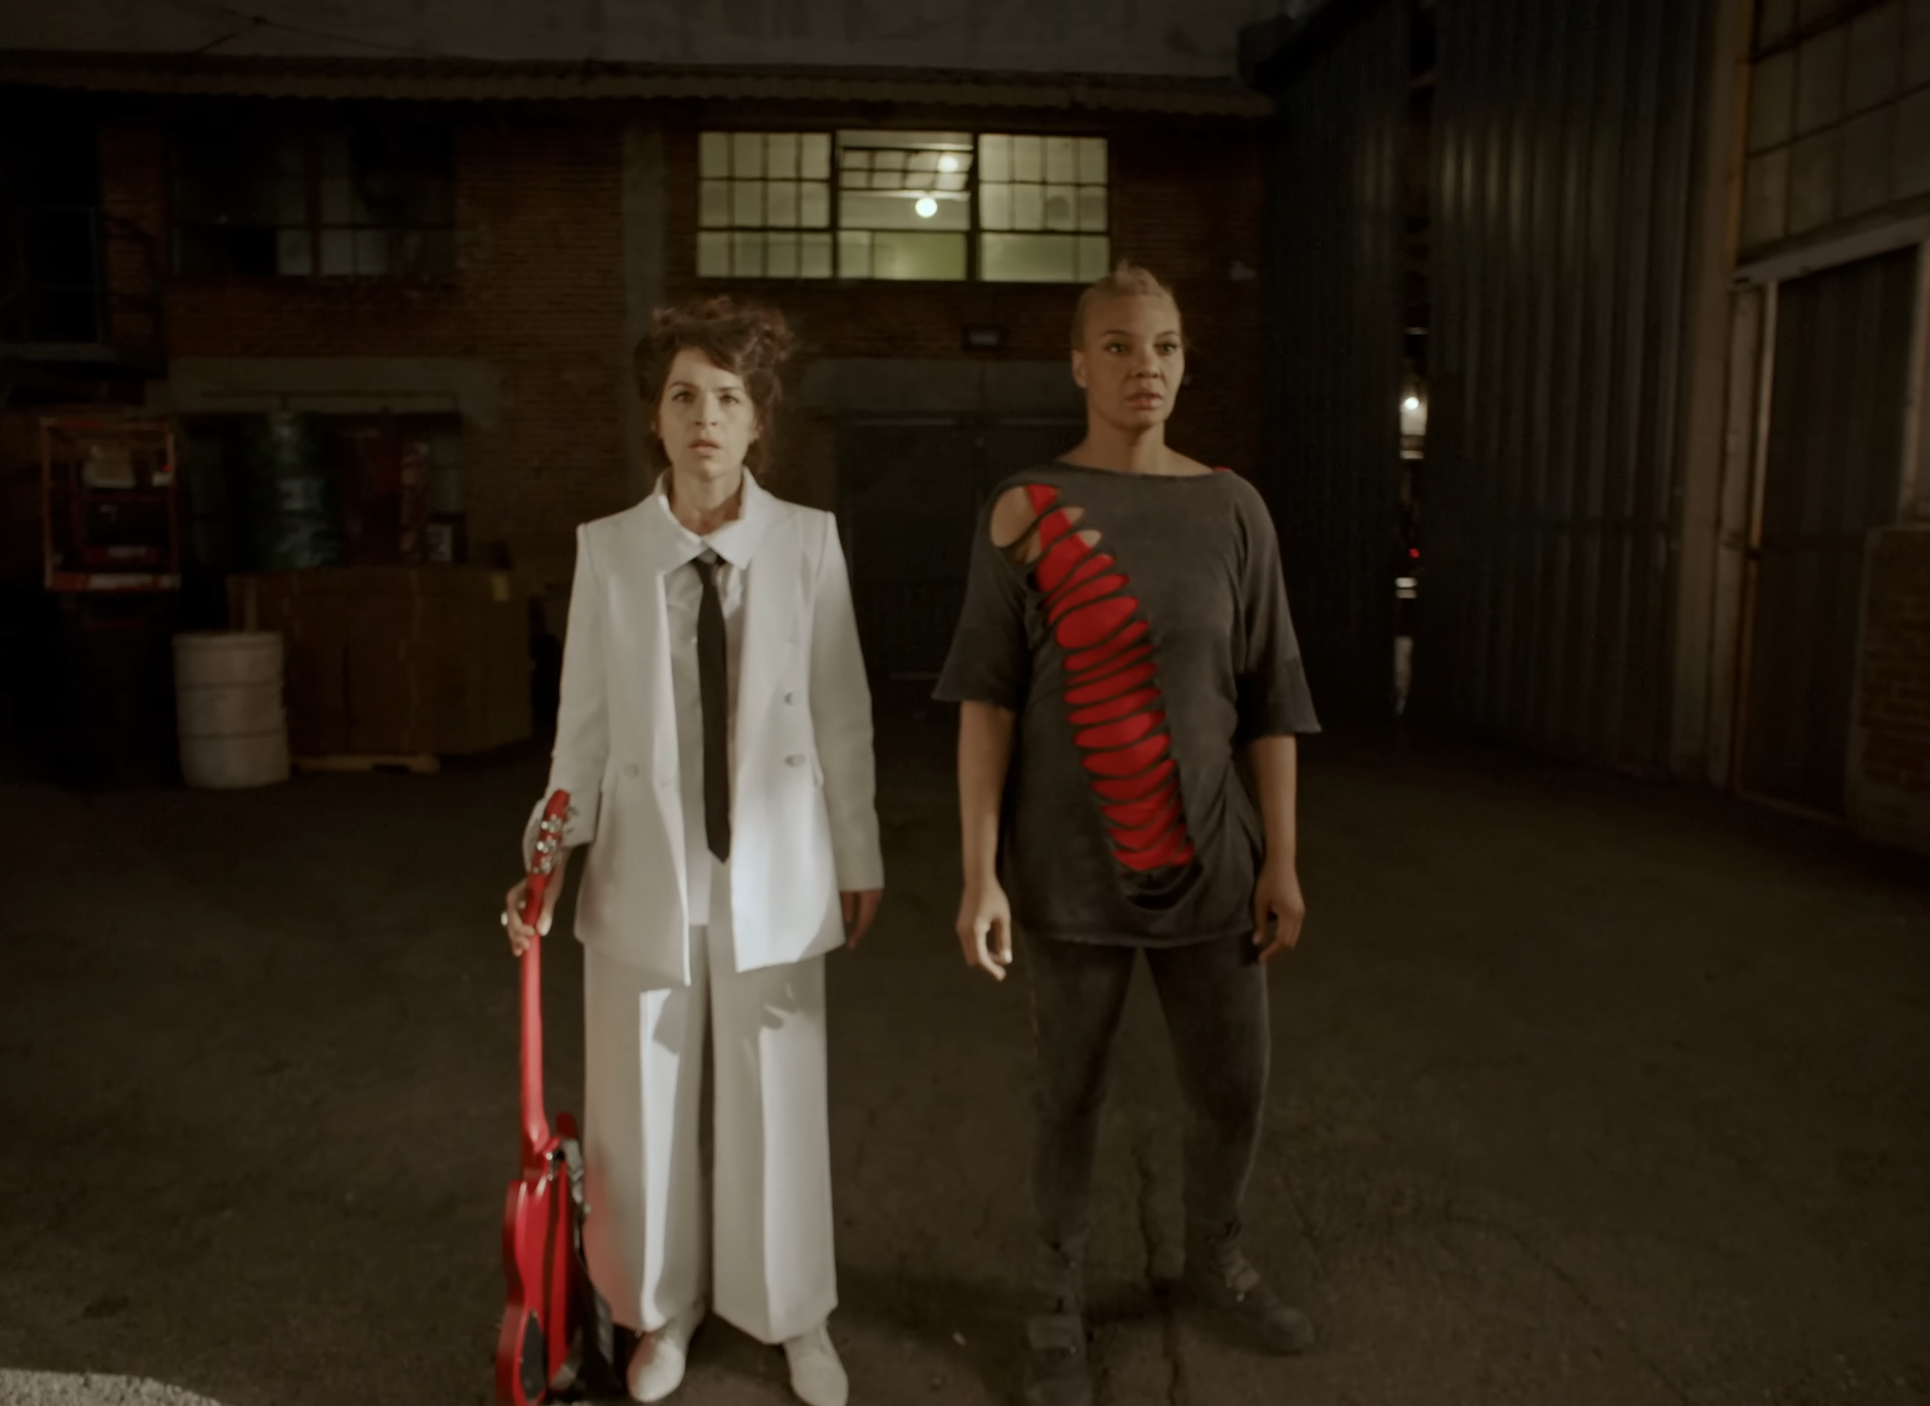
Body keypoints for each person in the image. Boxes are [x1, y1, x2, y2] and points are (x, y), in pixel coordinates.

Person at [933, 262, 1320, 1406]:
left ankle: (1217, 1262)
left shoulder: (1233, 508)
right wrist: (975, 873)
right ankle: (1052, 1305)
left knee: (1233, 1088)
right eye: (1116, 345)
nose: (1141, 365)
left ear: (1183, 360)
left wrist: (1285, 859)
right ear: (1076, 363)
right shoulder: (1024, 504)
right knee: (1069, 1098)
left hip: (1216, 864)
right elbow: (985, 699)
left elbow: (1271, 698)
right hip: (1068, 869)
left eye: (1161, 345)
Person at [505, 297, 883, 1406]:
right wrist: (548, 854)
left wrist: (855, 852)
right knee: (639, 1103)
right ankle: (654, 1309)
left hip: (773, 864)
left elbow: (841, 711)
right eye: (683, 396)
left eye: (728, 397)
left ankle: (792, 1313)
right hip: (643, 867)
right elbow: (578, 724)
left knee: (777, 1095)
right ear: (656, 420)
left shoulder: (807, 541)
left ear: (758, 420)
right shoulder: (608, 551)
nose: (705, 417)